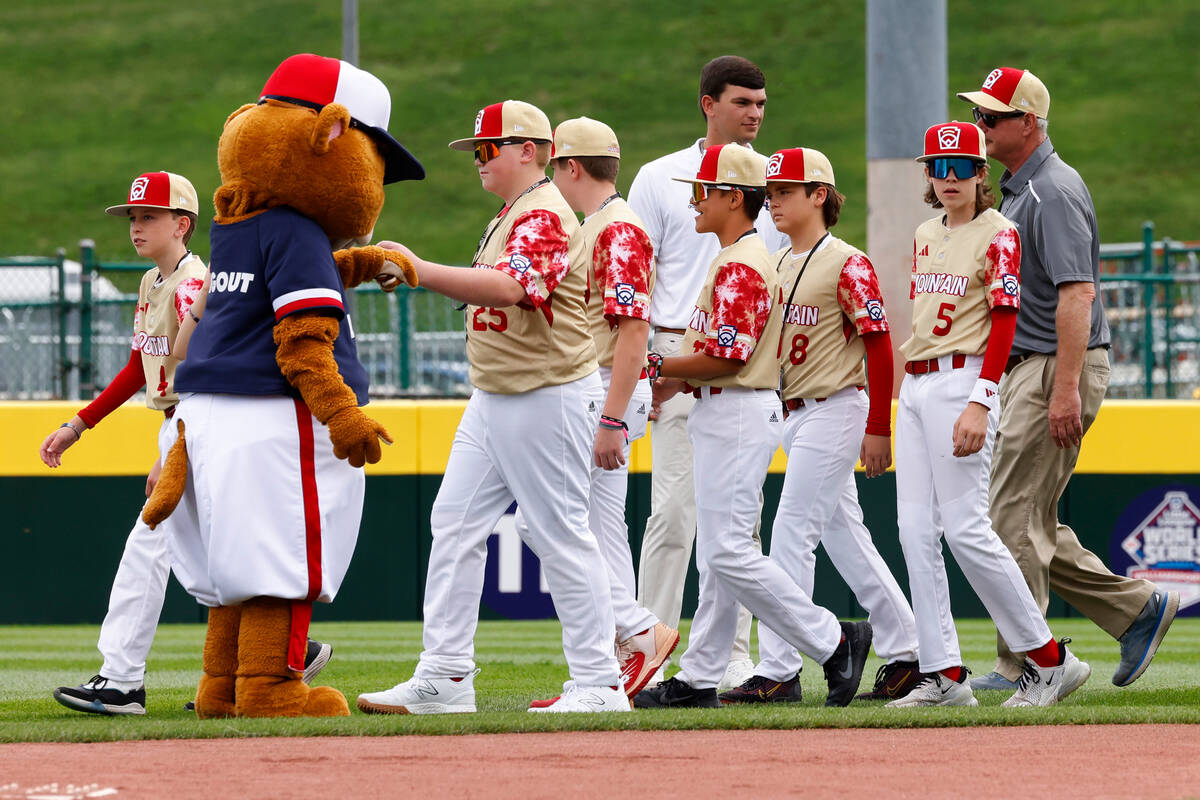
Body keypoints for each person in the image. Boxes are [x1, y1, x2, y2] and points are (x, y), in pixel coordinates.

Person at [356, 100, 629, 715]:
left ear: (528, 150)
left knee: (561, 536)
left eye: (487, 149)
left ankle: (600, 682)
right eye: (475, 151)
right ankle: (446, 676)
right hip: (498, 392)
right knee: (453, 523)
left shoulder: (542, 212)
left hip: (546, 391)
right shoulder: (513, 212)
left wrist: (421, 269)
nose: (477, 161)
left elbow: (514, 289)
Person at [40, 172, 335, 716]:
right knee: (212, 558)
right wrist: (80, 424)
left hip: (197, 424)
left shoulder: (197, 284)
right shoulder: (154, 281)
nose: (136, 226)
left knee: (148, 551)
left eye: (149, 216)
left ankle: (122, 679)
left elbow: (200, 370)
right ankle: (281, 653)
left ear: (183, 224)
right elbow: (139, 366)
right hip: (185, 426)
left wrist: (172, 446)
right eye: (133, 217)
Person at [955, 67, 1178, 692]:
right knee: (1031, 521)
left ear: (1028, 123)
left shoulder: (1050, 189)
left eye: (992, 117)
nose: (982, 125)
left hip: (1055, 362)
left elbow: (1077, 293)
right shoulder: (1023, 188)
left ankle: (1024, 662)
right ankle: (1138, 609)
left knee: (1006, 518)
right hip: (1037, 363)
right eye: (981, 114)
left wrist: (1064, 388)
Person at [632, 144, 872, 710]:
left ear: (732, 197)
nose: (693, 200)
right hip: (726, 408)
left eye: (702, 191)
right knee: (720, 557)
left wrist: (657, 367)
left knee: (727, 553)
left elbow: (729, 356)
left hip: (738, 408)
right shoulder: (734, 255)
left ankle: (833, 639)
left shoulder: (742, 261)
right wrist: (675, 377)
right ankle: (698, 679)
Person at [889, 121, 1090, 708]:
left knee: (968, 530)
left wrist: (983, 396)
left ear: (982, 173)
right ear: (927, 173)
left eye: (961, 167)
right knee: (913, 532)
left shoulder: (999, 231)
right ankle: (945, 675)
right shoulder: (926, 230)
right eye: (938, 166)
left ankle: (1050, 660)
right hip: (918, 382)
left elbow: (1005, 320)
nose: (948, 177)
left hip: (962, 378)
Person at [719, 147, 923, 705]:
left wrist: (880, 424)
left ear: (819, 195)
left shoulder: (846, 260)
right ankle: (910, 649)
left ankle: (780, 668)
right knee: (846, 538)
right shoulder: (779, 260)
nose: (774, 200)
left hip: (836, 406)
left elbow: (881, 346)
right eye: (772, 190)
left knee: (790, 535)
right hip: (793, 410)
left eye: (786, 190)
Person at [627, 55, 784, 689]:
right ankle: (647, 645)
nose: (754, 114)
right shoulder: (660, 177)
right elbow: (632, 278)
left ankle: (733, 654)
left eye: (761, 104)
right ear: (708, 104)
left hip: (743, 367)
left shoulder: (774, 183)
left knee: (739, 520)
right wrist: (646, 370)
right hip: (672, 355)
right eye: (743, 102)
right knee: (671, 513)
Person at [523, 117, 677, 707]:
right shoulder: (603, 225)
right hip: (611, 387)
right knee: (597, 531)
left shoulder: (616, 229)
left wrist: (614, 416)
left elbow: (634, 329)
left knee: (549, 524)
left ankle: (638, 629)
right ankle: (624, 648)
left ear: (569, 166)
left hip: (608, 390)